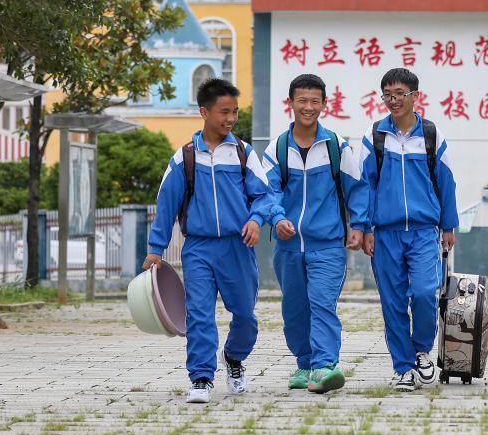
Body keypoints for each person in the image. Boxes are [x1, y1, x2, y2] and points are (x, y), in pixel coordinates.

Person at [144, 78, 273, 404]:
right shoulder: (185, 157)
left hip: (238, 246)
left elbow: (264, 196)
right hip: (198, 248)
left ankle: (233, 357)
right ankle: (201, 378)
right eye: (223, 112)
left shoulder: (244, 154)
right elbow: (166, 204)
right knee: (199, 313)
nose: (230, 119)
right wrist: (155, 249)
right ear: (204, 111)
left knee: (244, 314)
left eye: (234, 112)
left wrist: (256, 220)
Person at [263, 74, 369, 394]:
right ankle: (304, 362)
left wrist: (359, 226)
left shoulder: (336, 147)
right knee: (295, 307)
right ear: (291, 103)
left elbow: (357, 190)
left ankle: (325, 365)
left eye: (314, 101)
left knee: (322, 303)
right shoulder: (277, 149)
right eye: (302, 101)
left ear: (325, 104)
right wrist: (277, 217)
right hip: (288, 246)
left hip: (328, 244)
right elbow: (267, 192)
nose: (308, 107)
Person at [359, 68, 459, 392]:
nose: (393, 100)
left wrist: (449, 224)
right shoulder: (375, 137)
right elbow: (365, 186)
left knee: (423, 292)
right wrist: (364, 227)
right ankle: (403, 368)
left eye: (400, 93)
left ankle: (421, 350)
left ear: (415, 95)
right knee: (392, 302)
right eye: (388, 94)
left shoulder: (431, 135)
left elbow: (446, 182)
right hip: (385, 233)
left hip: (423, 230)